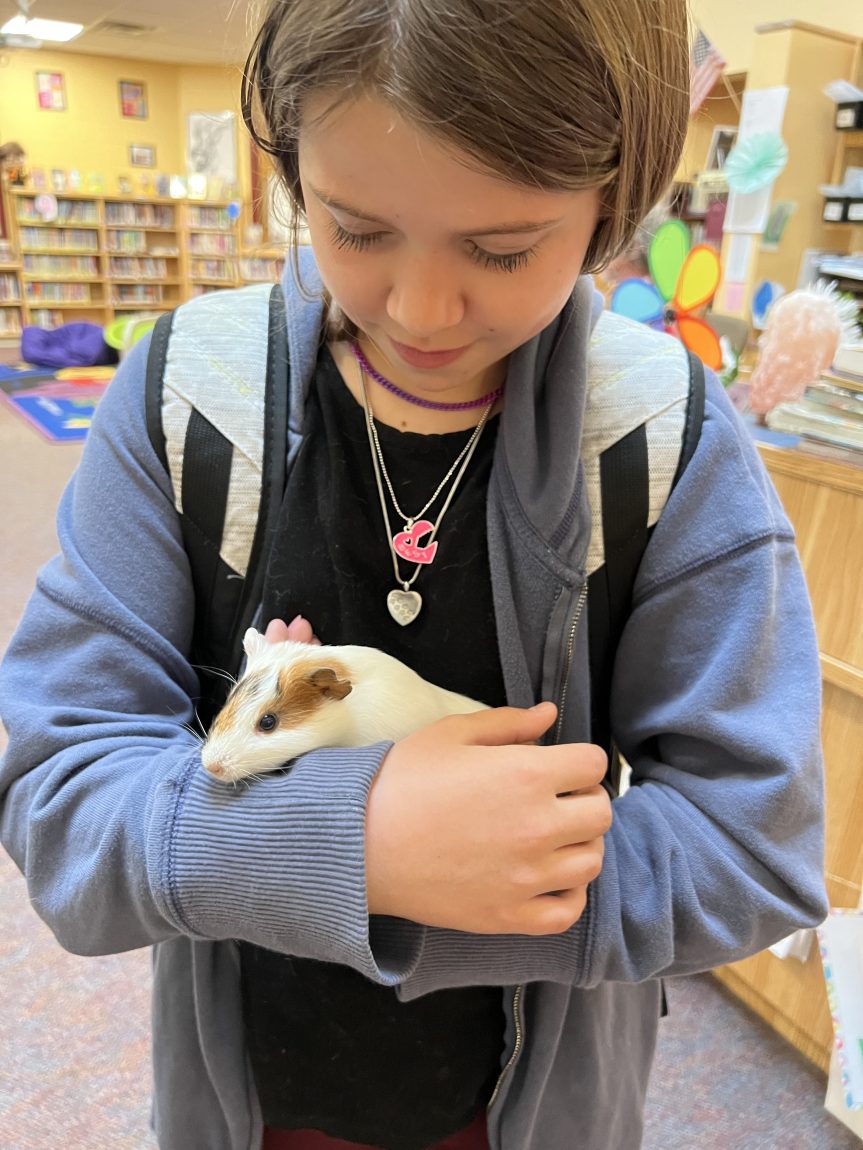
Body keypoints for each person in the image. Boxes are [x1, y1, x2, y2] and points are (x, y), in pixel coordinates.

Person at [0, 3, 827, 1150]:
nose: (421, 310)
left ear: (614, 196)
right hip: (245, 1102)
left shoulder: (664, 441)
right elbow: (58, 798)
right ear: (289, 157)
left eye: (503, 248)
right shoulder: (186, 396)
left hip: (534, 1114)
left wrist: (466, 879)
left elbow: (753, 848)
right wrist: (345, 848)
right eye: (353, 227)